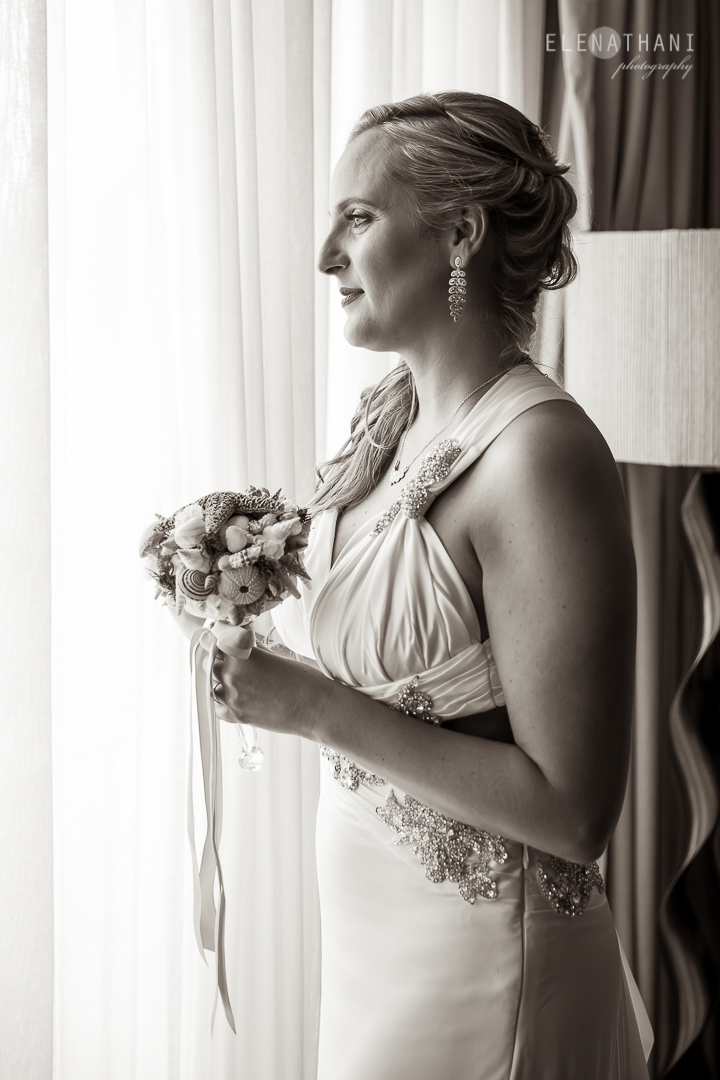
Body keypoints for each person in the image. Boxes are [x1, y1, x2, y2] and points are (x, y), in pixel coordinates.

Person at [210, 92, 653, 1078]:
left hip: (486, 972)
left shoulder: (539, 456)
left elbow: (576, 811)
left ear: (461, 233)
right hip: (374, 946)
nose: (325, 255)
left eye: (358, 218)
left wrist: (312, 709)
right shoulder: (390, 417)